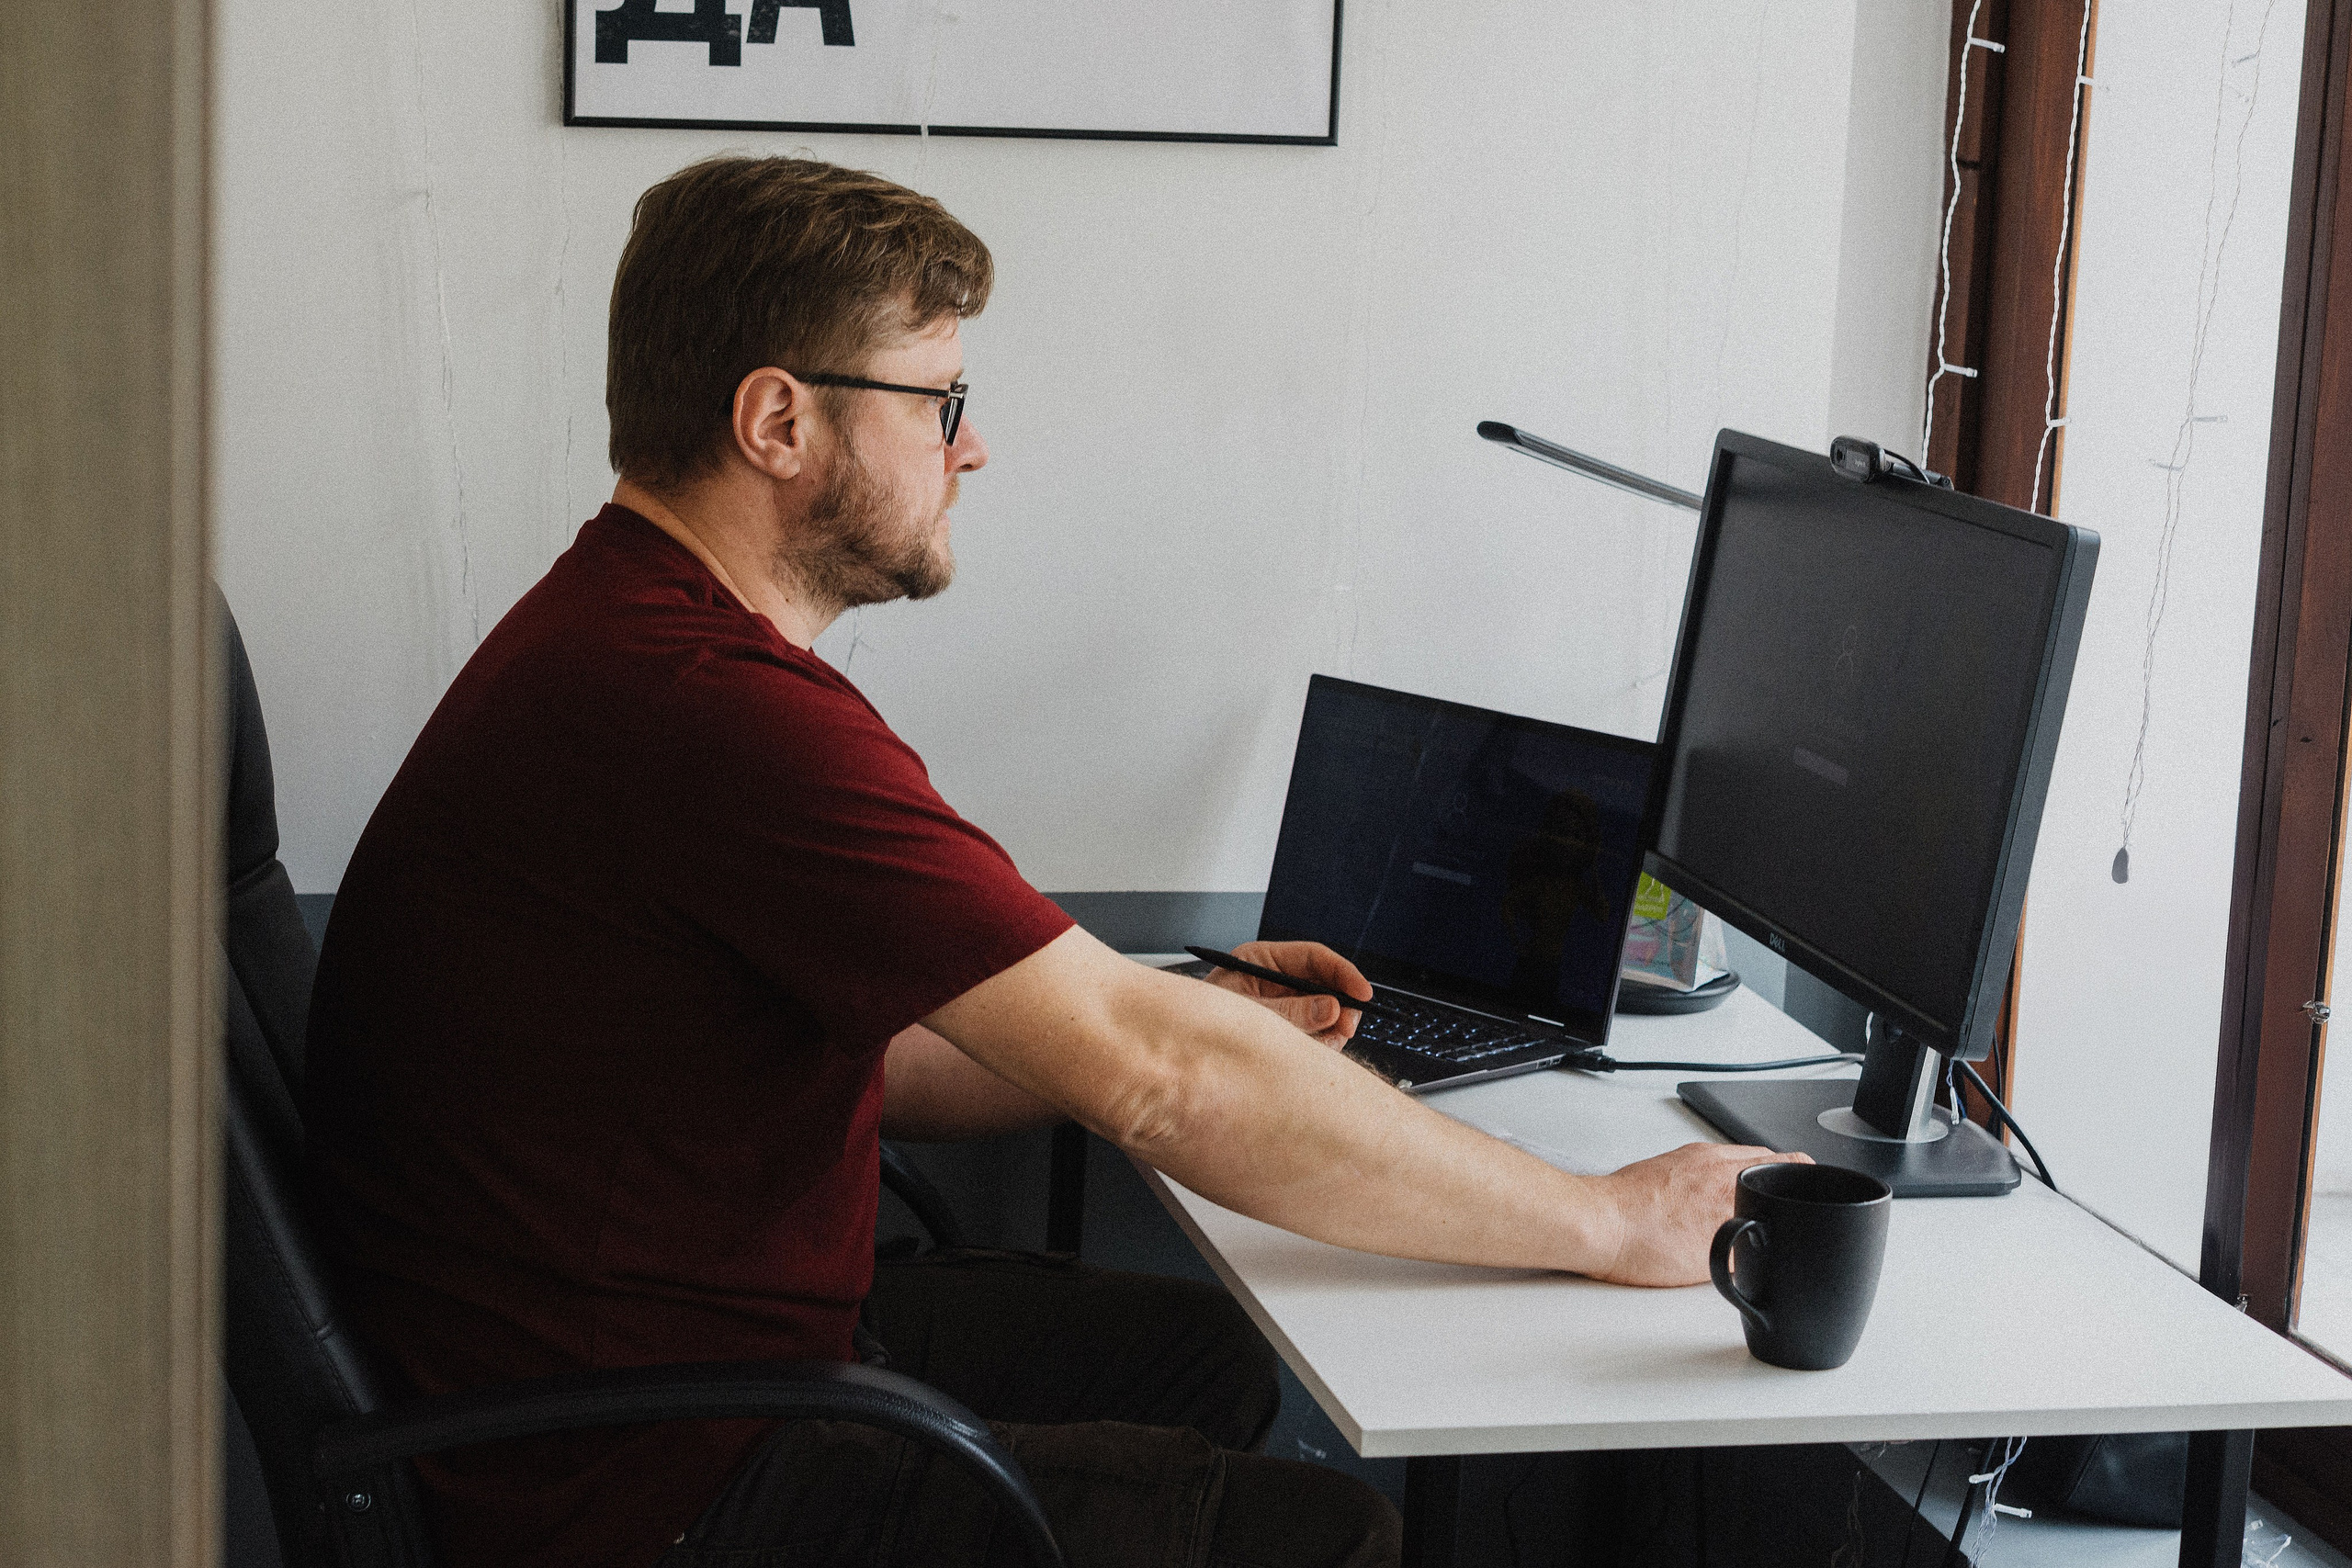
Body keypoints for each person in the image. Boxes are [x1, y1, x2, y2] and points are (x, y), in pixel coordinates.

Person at [303, 155, 1783, 1568]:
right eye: (942, 398)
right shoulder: (710, 714)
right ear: (778, 422)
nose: (975, 444)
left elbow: (894, 1059)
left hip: (693, 1372)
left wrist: (1194, 1008)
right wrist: (1609, 1219)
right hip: (652, 1493)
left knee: (1203, 1360)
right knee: (1327, 1535)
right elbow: (1162, 1081)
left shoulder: (630, 636)